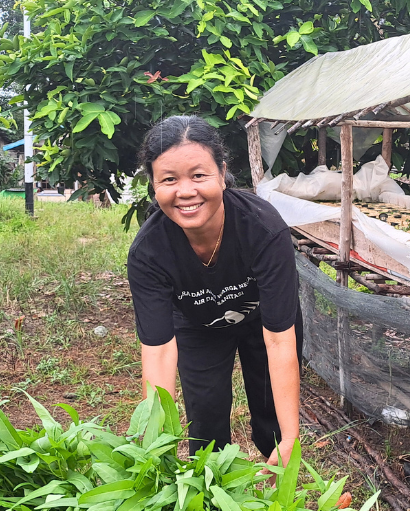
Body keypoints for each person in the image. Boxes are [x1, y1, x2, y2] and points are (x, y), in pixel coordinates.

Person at [127, 115, 303, 470]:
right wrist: (154, 446)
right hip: (197, 326)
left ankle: (278, 483)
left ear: (222, 173)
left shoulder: (263, 230)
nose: (186, 191)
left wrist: (291, 438)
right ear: (153, 186)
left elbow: (280, 342)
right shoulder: (149, 251)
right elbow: (159, 353)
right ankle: (211, 494)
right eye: (169, 180)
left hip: (263, 322)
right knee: (205, 426)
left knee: (272, 418)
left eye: (198, 175)